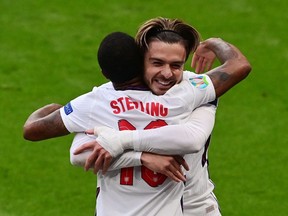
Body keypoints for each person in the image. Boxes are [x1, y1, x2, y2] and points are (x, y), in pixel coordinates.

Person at [23, 18, 251, 216]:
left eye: (176, 65)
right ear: (140, 61)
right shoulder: (193, 90)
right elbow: (238, 65)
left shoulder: (100, 103)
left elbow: (70, 150)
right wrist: (214, 43)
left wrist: (122, 143)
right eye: (157, 63)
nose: (166, 74)